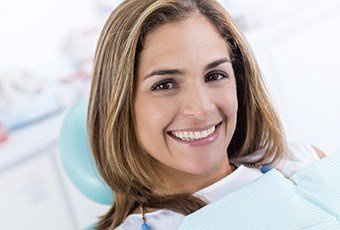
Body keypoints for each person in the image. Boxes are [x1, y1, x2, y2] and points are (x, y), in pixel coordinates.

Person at [87, 0, 327, 229]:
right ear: (119, 105)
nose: (202, 108)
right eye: (165, 85)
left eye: (214, 76)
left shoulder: (301, 160)